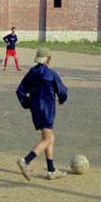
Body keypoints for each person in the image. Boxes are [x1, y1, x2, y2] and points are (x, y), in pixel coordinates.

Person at [15, 47, 69, 181]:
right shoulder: (51, 74)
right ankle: (25, 161)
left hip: (36, 110)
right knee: (47, 139)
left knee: (50, 137)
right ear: (49, 59)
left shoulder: (30, 74)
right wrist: (62, 100)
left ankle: (51, 170)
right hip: (48, 110)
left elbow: (20, 92)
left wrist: (28, 104)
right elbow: (62, 91)